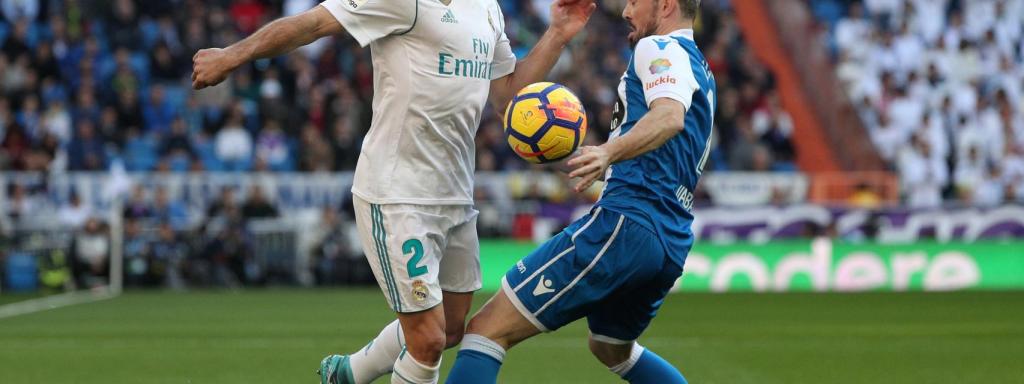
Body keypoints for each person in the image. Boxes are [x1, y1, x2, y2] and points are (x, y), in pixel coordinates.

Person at [191, 1, 596, 383]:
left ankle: (350, 372)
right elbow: (313, 23)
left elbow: (508, 96)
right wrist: (231, 56)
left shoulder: (486, 7)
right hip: (397, 191)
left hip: (456, 194)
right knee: (428, 340)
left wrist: (557, 34)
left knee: (450, 328)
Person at [445, 0, 714, 383]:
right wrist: (587, 157)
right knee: (610, 347)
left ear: (667, 4)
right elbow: (663, 148)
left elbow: (669, 117)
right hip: (671, 238)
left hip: (627, 225)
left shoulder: (659, 47)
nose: (626, 12)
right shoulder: (698, 65)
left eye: (635, 1)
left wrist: (608, 152)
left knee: (485, 330)